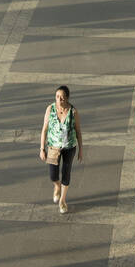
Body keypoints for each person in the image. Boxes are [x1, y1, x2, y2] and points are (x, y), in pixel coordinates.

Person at [39, 85, 83, 213]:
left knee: (66, 171)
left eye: (62, 98)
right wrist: (42, 148)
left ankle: (62, 200)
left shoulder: (73, 112)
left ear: (67, 99)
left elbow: (78, 131)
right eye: (57, 97)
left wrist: (81, 149)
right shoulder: (50, 109)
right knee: (53, 174)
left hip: (69, 146)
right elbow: (44, 129)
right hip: (53, 146)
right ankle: (57, 186)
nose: (59, 100)